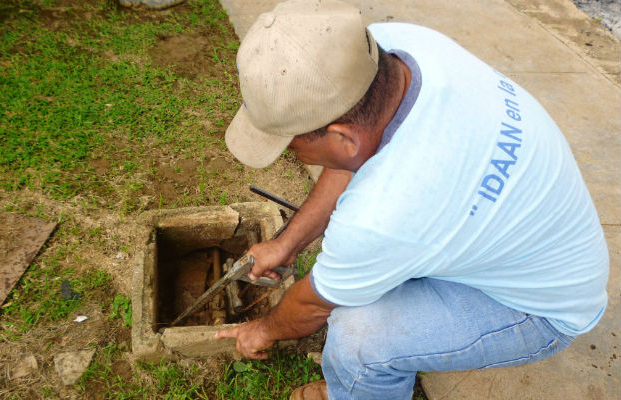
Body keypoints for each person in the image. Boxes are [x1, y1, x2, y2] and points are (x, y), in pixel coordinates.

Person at [215, 1, 610, 399]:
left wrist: (262, 329)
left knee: (358, 338)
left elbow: (314, 306)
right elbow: (354, 156)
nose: (288, 153)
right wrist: (286, 244)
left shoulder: (384, 215)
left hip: (540, 309)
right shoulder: (400, 49)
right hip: (528, 244)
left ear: (342, 136)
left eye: (289, 144)